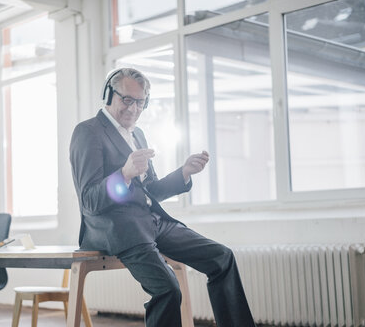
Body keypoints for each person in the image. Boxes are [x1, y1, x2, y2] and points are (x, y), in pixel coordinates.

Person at [69, 67, 255, 327]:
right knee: (168, 289)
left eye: (141, 102)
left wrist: (184, 173)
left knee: (222, 258)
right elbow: (89, 200)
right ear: (108, 94)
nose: (134, 109)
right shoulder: (88, 132)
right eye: (127, 99)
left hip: (154, 222)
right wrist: (123, 174)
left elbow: (150, 191)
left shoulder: (137, 134)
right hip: (118, 229)